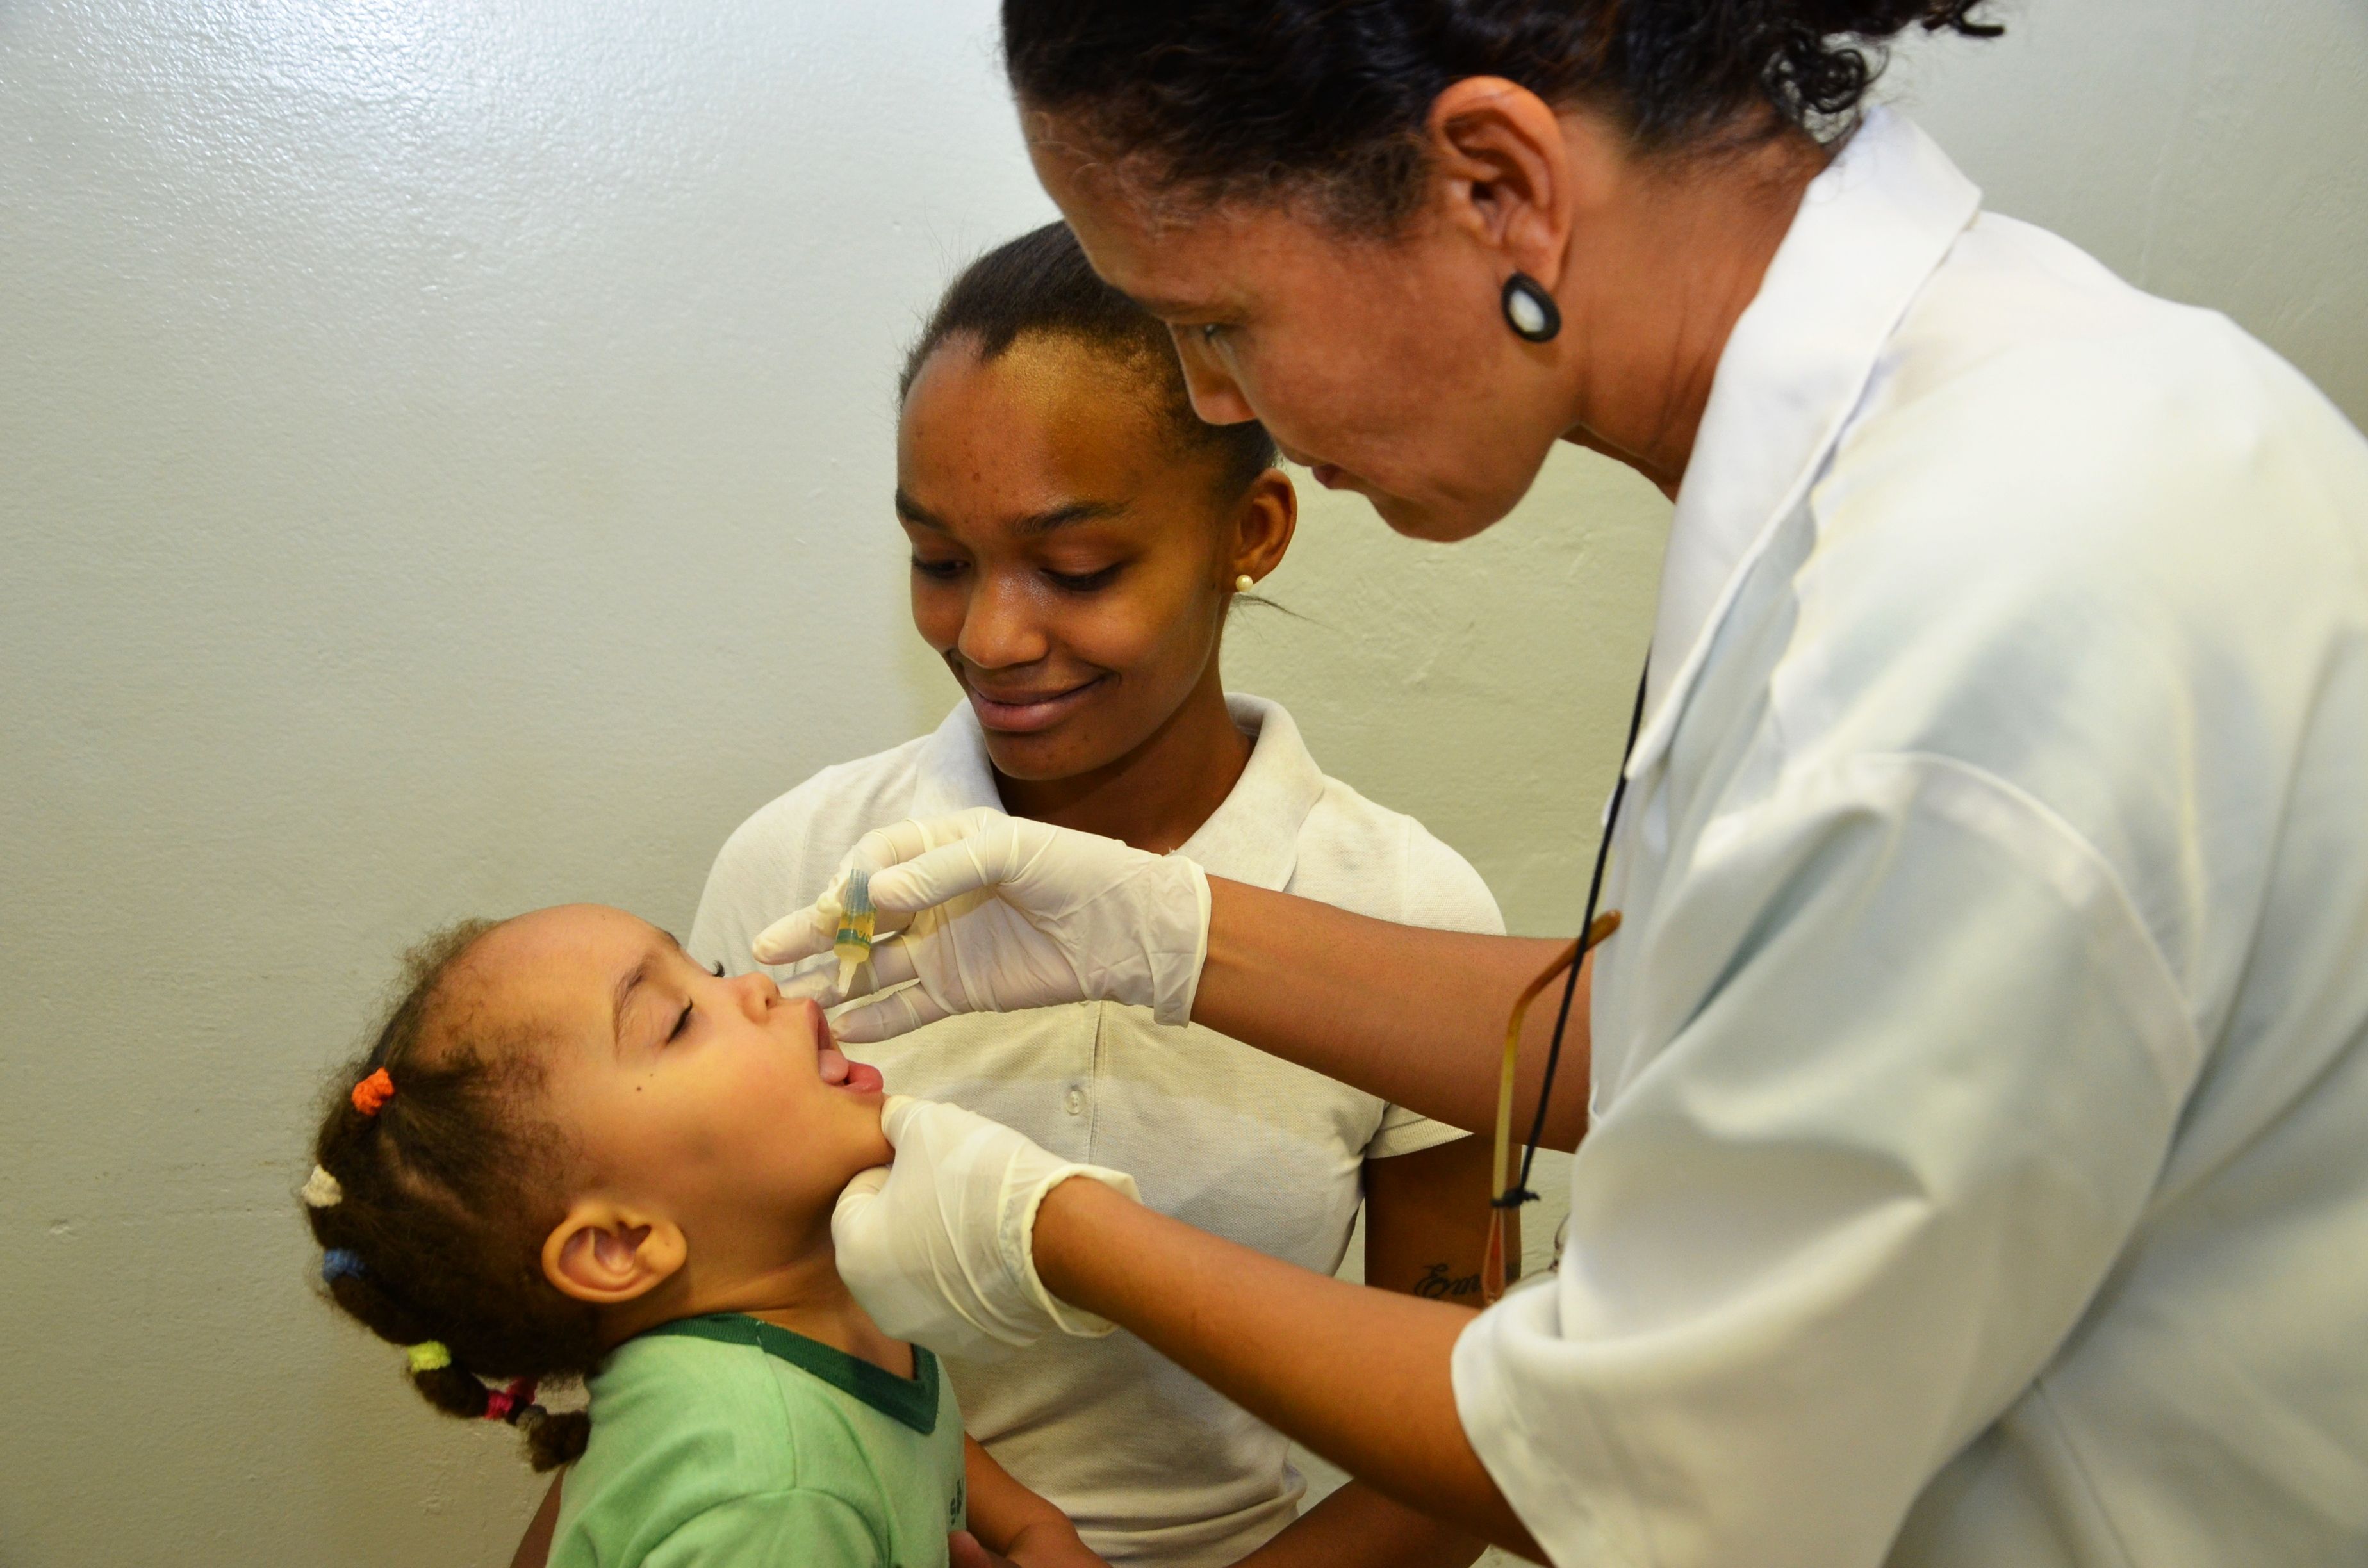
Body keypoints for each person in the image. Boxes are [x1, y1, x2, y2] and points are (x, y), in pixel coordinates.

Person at [755, 3, 2368, 1565]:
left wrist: (1045, 1224)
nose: (1214, 402)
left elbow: (1655, 1469)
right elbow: (1723, 1020)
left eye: (1217, 318)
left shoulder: (1975, 612)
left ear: (1496, 187)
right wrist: (1154, 928)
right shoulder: (1995, 422)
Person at [687, 221, 1501, 1568]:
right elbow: (693, 1321)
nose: (991, 639)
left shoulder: (1408, 920)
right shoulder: (805, 871)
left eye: (1076, 569)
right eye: (939, 562)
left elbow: (1465, 1431)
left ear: (1252, 531)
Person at [300, 906, 1111, 1568]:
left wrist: (1036, 1530)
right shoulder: (769, 1497)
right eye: (680, 1019)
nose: (755, 988)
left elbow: (908, 1433)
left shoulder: (822, 1319)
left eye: (710, 971)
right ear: (619, 1245)